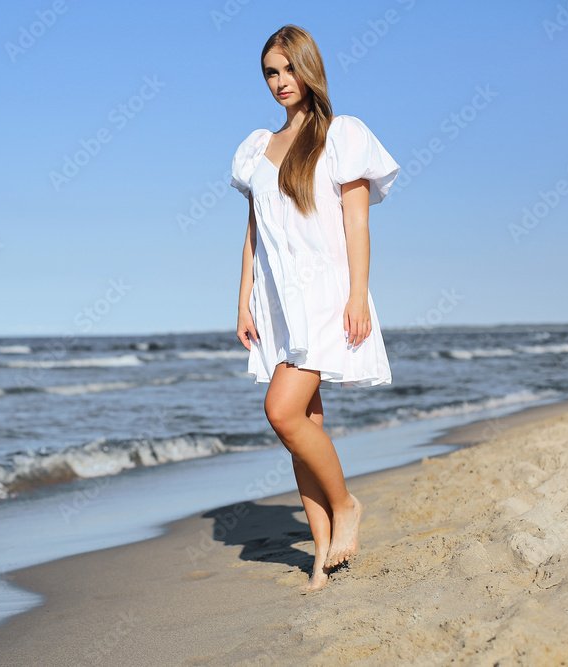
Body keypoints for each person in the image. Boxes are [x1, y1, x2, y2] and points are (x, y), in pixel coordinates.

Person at [230, 24, 400, 591]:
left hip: (326, 295)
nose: (280, 82)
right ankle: (323, 553)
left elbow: (357, 221)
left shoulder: (341, 135)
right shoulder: (257, 146)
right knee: (304, 423)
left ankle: (346, 505)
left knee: (281, 411)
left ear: (309, 68)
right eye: (270, 74)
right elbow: (255, 228)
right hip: (278, 300)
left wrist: (357, 294)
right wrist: (244, 296)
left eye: (288, 69)